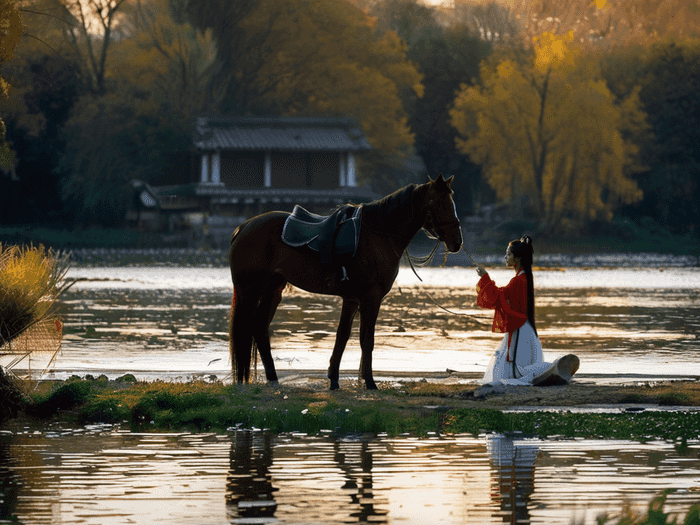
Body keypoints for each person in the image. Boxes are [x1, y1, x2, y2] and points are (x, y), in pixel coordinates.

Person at [475, 235, 551, 385]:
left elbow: (499, 297)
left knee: (520, 370)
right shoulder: (524, 278)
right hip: (525, 329)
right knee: (516, 367)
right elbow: (503, 297)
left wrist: (485, 278)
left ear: (517, 259)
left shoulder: (519, 280)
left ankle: (552, 368)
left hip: (521, 330)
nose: (505, 257)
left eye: (508, 254)